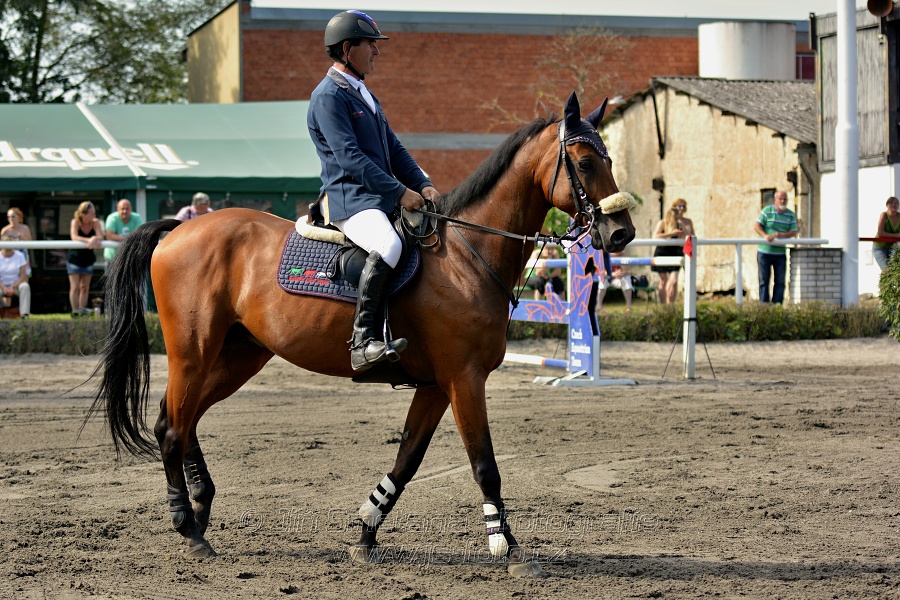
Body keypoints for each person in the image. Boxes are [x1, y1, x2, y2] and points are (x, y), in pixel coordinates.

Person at [307, 10, 440, 372]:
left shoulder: (363, 93)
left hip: (377, 196)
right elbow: (349, 159)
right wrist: (400, 192)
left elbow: (393, 149)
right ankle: (364, 342)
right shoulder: (328, 97)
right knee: (389, 245)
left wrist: (422, 183)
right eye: (371, 45)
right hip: (350, 200)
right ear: (348, 49)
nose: (377, 52)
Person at [754, 190, 798, 304]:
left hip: (780, 253)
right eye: (780, 199)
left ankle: (776, 307)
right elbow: (757, 225)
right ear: (775, 200)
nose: (782, 201)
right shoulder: (767, 211)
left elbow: (794, 231)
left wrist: (781, 235)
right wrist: (765, 235)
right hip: (764, 252)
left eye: (785, 199)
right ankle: (764, 307)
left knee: (780, 281)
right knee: (764, 281)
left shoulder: (790, 215)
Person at [652, 199, 694, 304]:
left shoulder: (686, 222)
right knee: (663, 281)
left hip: (677, 251)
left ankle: (671, 306)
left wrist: (682, 225)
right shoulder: (663, 222)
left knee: (674, 280)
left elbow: (691, 236)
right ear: (674, 207)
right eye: (679, 206)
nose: (682, 208)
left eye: (683, 206)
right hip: (663, 251)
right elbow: (655, 236)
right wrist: (671, 234)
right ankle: (663, 307)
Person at [68, 201, 104, 316]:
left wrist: (94, 238)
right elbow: (74, 237)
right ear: (84, 214)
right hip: (74, 258)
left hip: (88, 259)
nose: (94, 215)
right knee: (75, 287)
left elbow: (100, 236)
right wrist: (88, 240)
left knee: (84, 287)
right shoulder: (75, 222)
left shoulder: (95, 222)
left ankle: (82, 310)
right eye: (91, 213)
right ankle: (74, 311)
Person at [0, 235, 30, 318]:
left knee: (25, 286)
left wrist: (14, 285)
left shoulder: (19, 256)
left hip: (16, 285)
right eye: (7, 249)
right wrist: (3, 288)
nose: (9, 250)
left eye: (10, 248)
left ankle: (24, 314)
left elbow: (23, 274)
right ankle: (3, 309)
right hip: (2, 285)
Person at [2, 207, 33, 274]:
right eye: (9, 217)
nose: (11, 219)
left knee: (25, 274)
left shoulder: (25, 228)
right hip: (10, 256)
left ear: (19, 217)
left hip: (23, 254)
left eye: (13, 216)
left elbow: (31, 244)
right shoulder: (5, 230)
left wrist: (23, 238)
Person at [873, 196, 900, 270]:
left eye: (896, 203)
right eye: (891, 203)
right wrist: (897, 235)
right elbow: (880, 233)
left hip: (892, 247)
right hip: (880, 247)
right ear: (887, 205)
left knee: (895, 269)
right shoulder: (884, 215)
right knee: (886, 269)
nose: (894, 205)